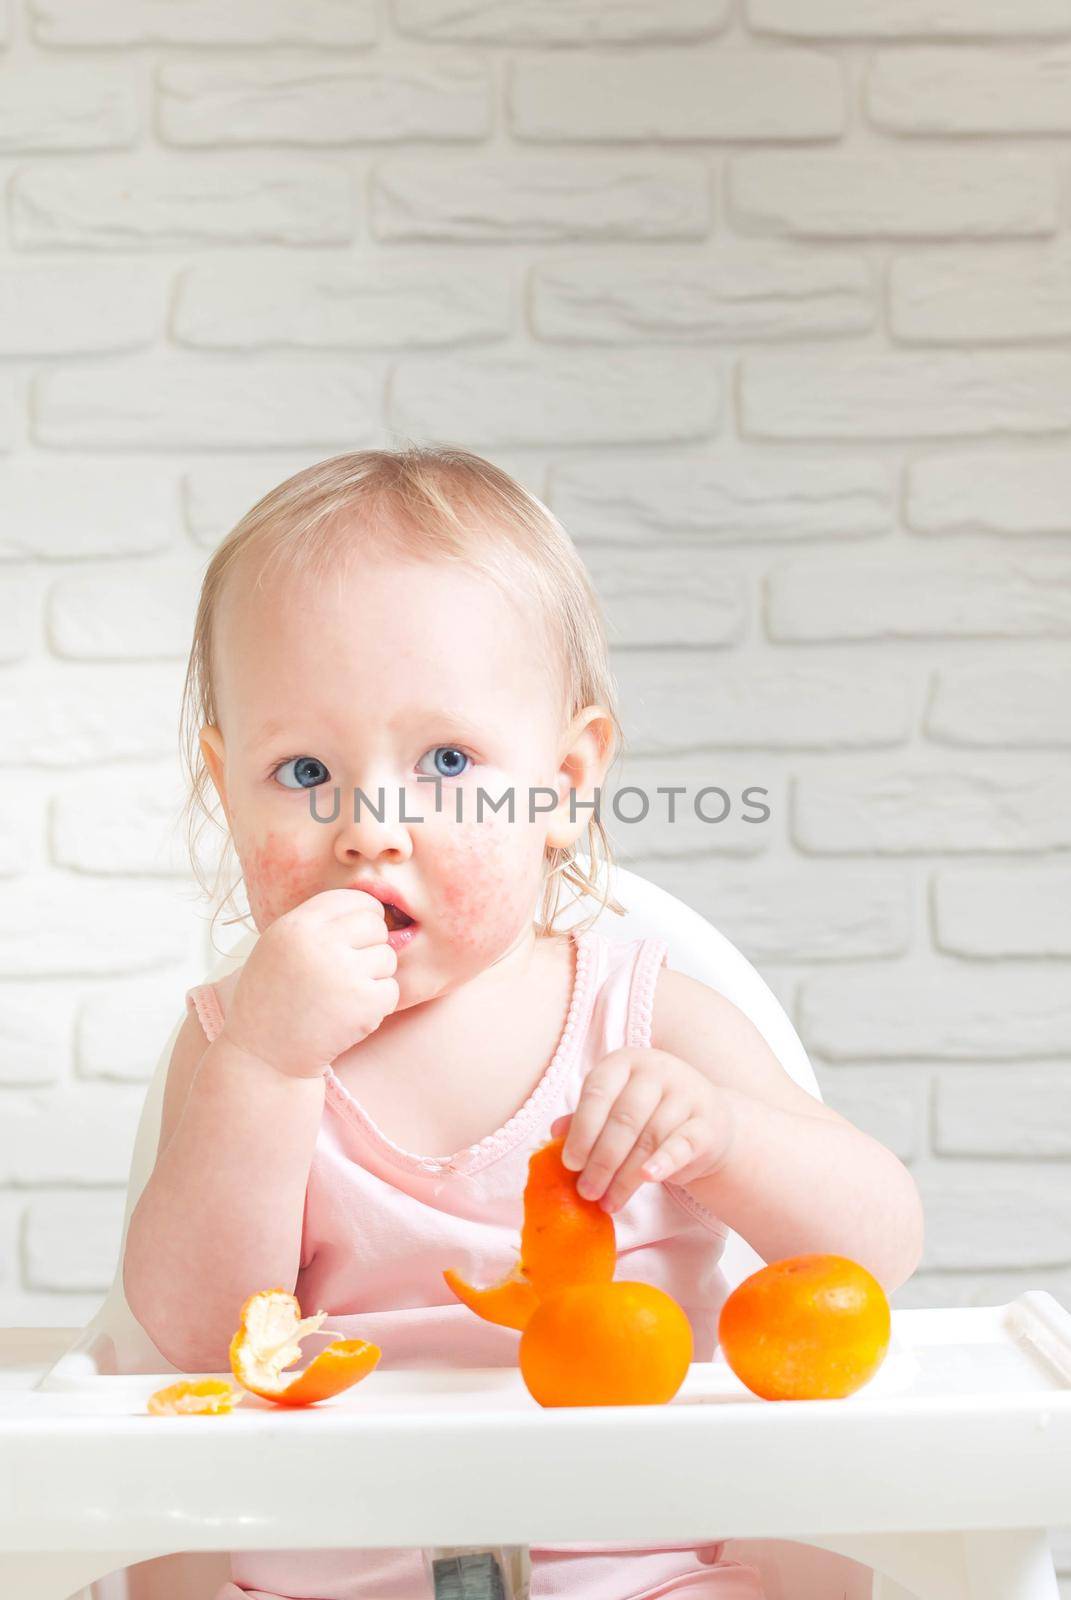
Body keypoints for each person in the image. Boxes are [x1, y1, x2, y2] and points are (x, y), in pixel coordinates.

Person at [123, 445, 924, 1600]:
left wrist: (726, 1139)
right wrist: (268, 1059)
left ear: (561, 783)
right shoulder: (239, 1044)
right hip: (337, 1574)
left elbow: (877, 1245)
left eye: (446, 759)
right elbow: (199, 1336)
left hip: (639, 1565)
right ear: (223, 783)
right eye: (303, 769)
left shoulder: (642, 1012)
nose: (369, 826)